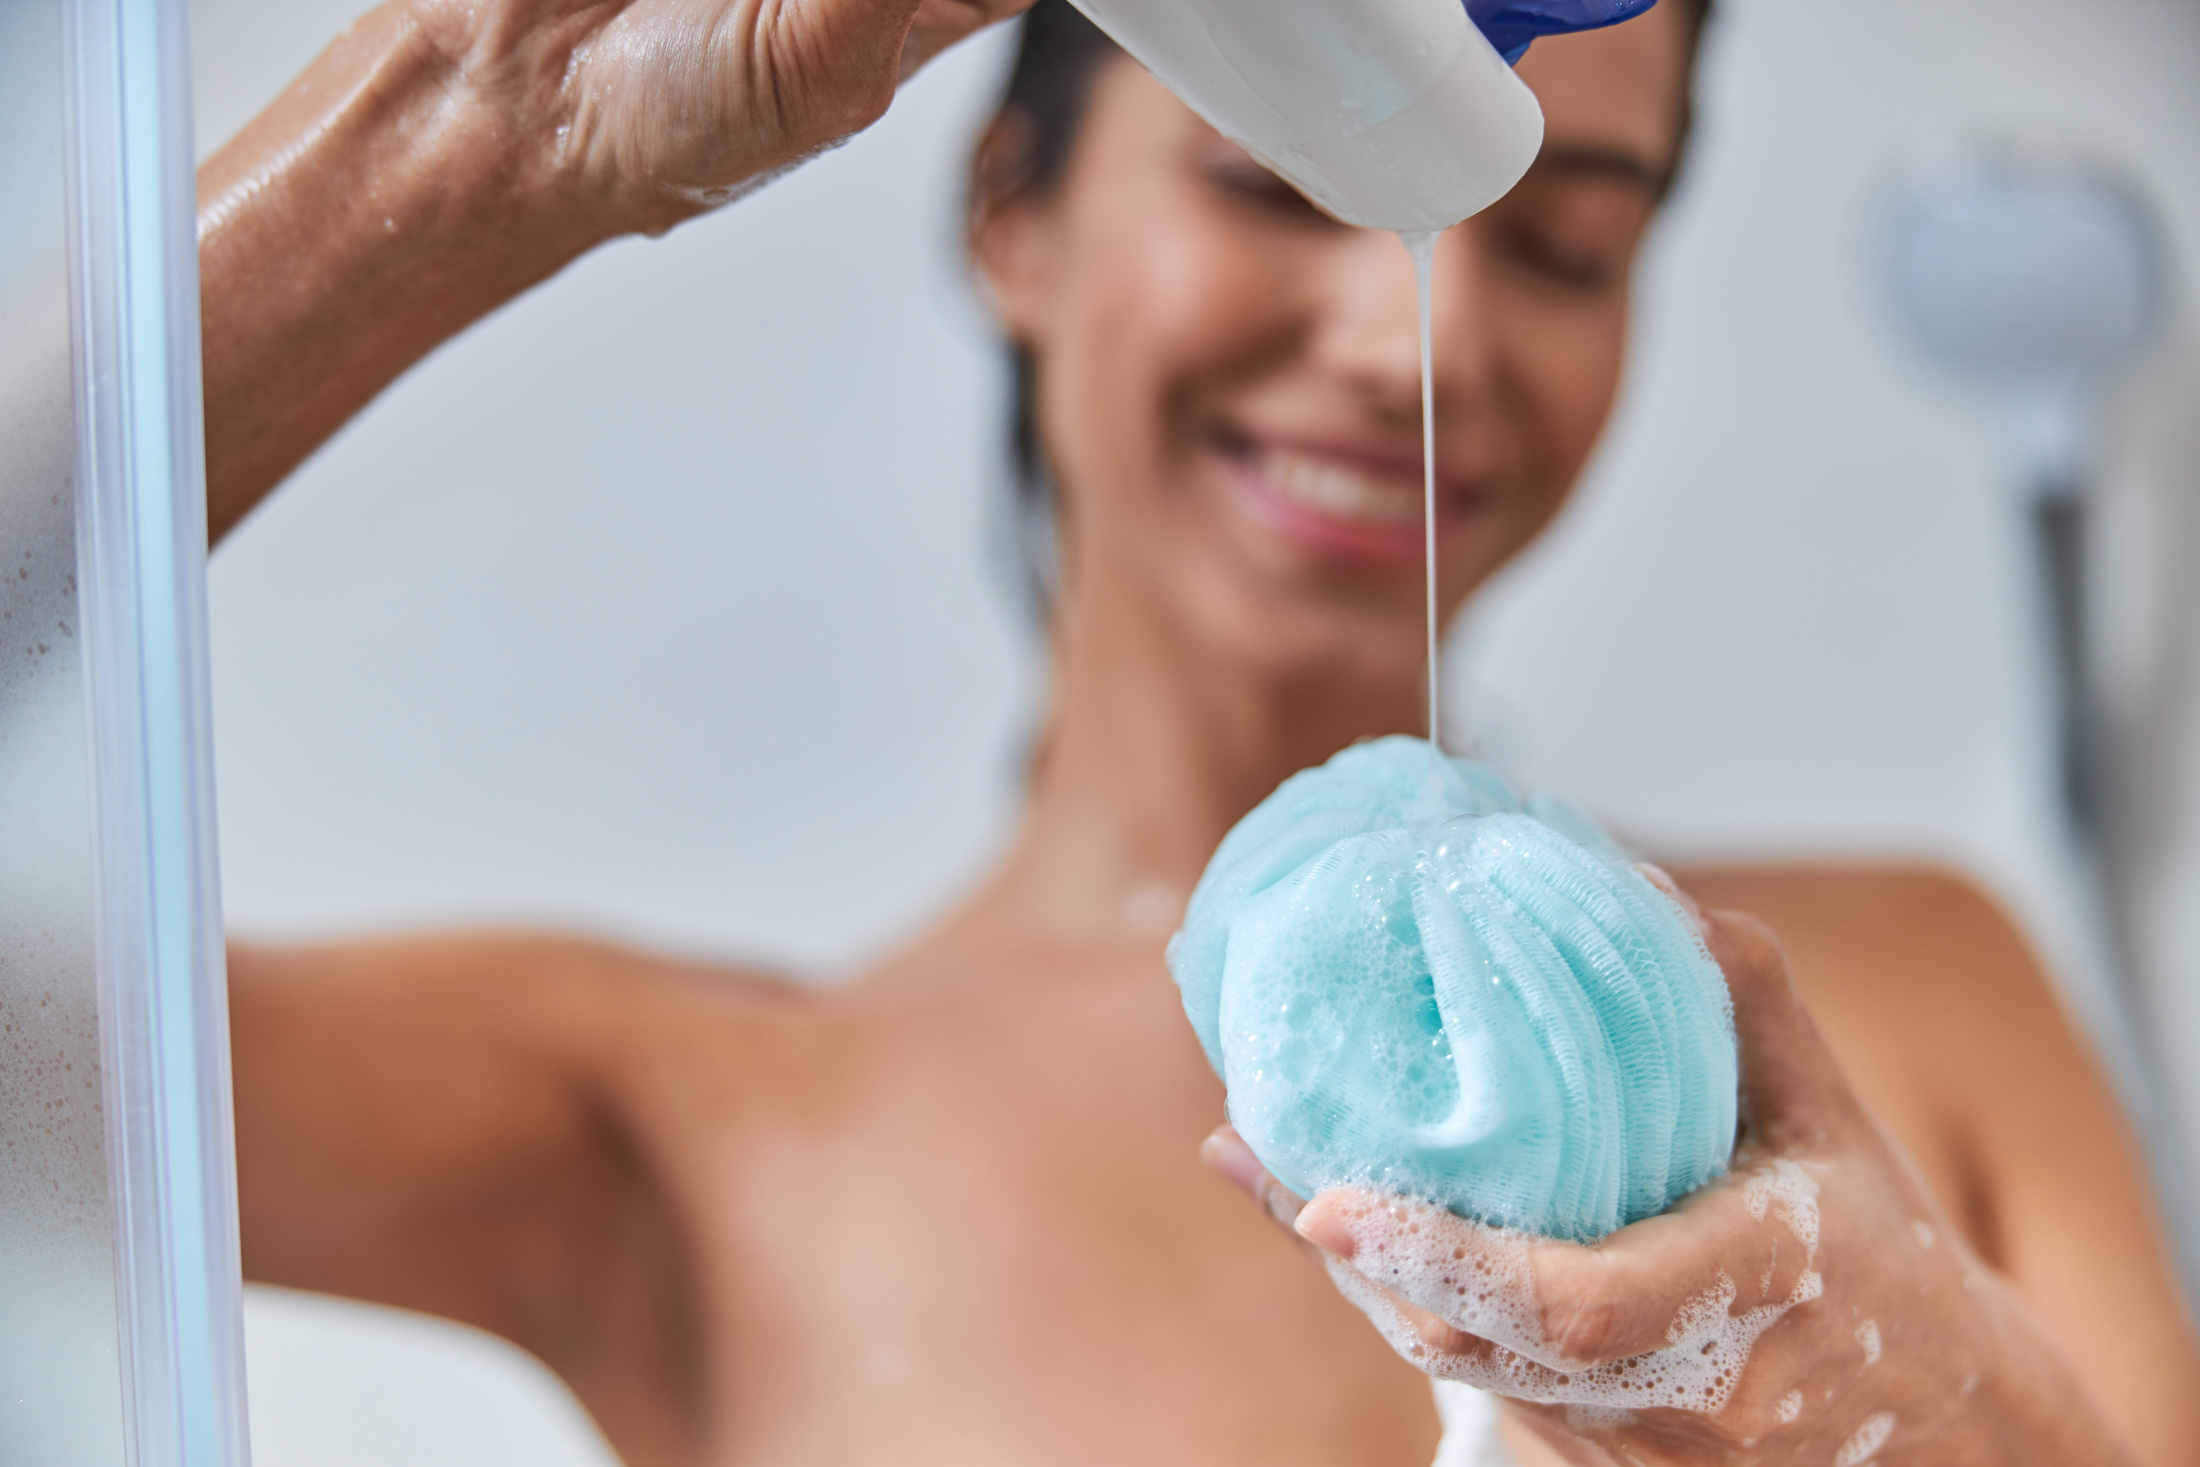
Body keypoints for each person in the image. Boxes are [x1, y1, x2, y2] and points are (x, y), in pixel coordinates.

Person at [202, 0, 2200, 1462]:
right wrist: (475, 127)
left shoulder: (1908, 1002)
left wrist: (1939, 1414)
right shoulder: (674, 1134)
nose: (1410, 337)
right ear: (1012, 211)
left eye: (1570, 246)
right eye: (1267, 183)